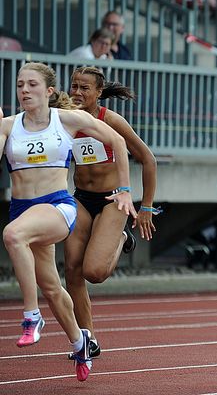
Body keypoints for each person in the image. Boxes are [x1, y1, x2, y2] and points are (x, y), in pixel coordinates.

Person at [0, 62, 136, 380]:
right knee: (52, 287)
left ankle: (32, 317)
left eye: (31, 84)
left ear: (48, 91)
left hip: (57, 207)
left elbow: (118, 142)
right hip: (23, 209)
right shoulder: (9, 126)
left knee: (12, 236)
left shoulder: (69, 119)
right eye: (20, 84)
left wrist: (127, 191)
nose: (24, 90)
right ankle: (80, 343)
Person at [64, 66, 158, 358]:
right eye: (74, 86)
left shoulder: (111, 120)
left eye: (85, 88)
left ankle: (121, 238)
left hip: (114, 200)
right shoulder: (64, 117)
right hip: (81, 198)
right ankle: (87, 338)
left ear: (98, 93)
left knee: (95, 272)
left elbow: (148, 159)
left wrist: (146, 208)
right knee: (72, 271)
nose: (78, 93)